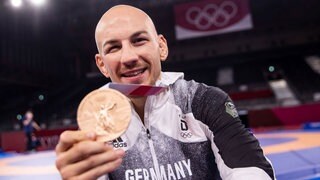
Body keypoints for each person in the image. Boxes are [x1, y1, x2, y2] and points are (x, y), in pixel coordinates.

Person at [55, 5, 275, 180]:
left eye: (139, 40)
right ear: (102, 65)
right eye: (114, 48)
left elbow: (250, 171)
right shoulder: (97, 121)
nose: (129, 57)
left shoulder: (202, 101)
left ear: (161, 47)